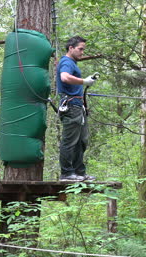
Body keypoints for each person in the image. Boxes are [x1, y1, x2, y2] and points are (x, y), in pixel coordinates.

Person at [56, 36, 96, 181]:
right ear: (71, 48)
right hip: (71, 107)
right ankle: (66, 173)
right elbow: (65, 77)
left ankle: (79, 172)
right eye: (80, 49)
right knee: (70, 141)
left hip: (78, 107)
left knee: (81, 141)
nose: (82, 52)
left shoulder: (72, 63)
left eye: (83, 49)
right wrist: (84, 81)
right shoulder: (66, 62)